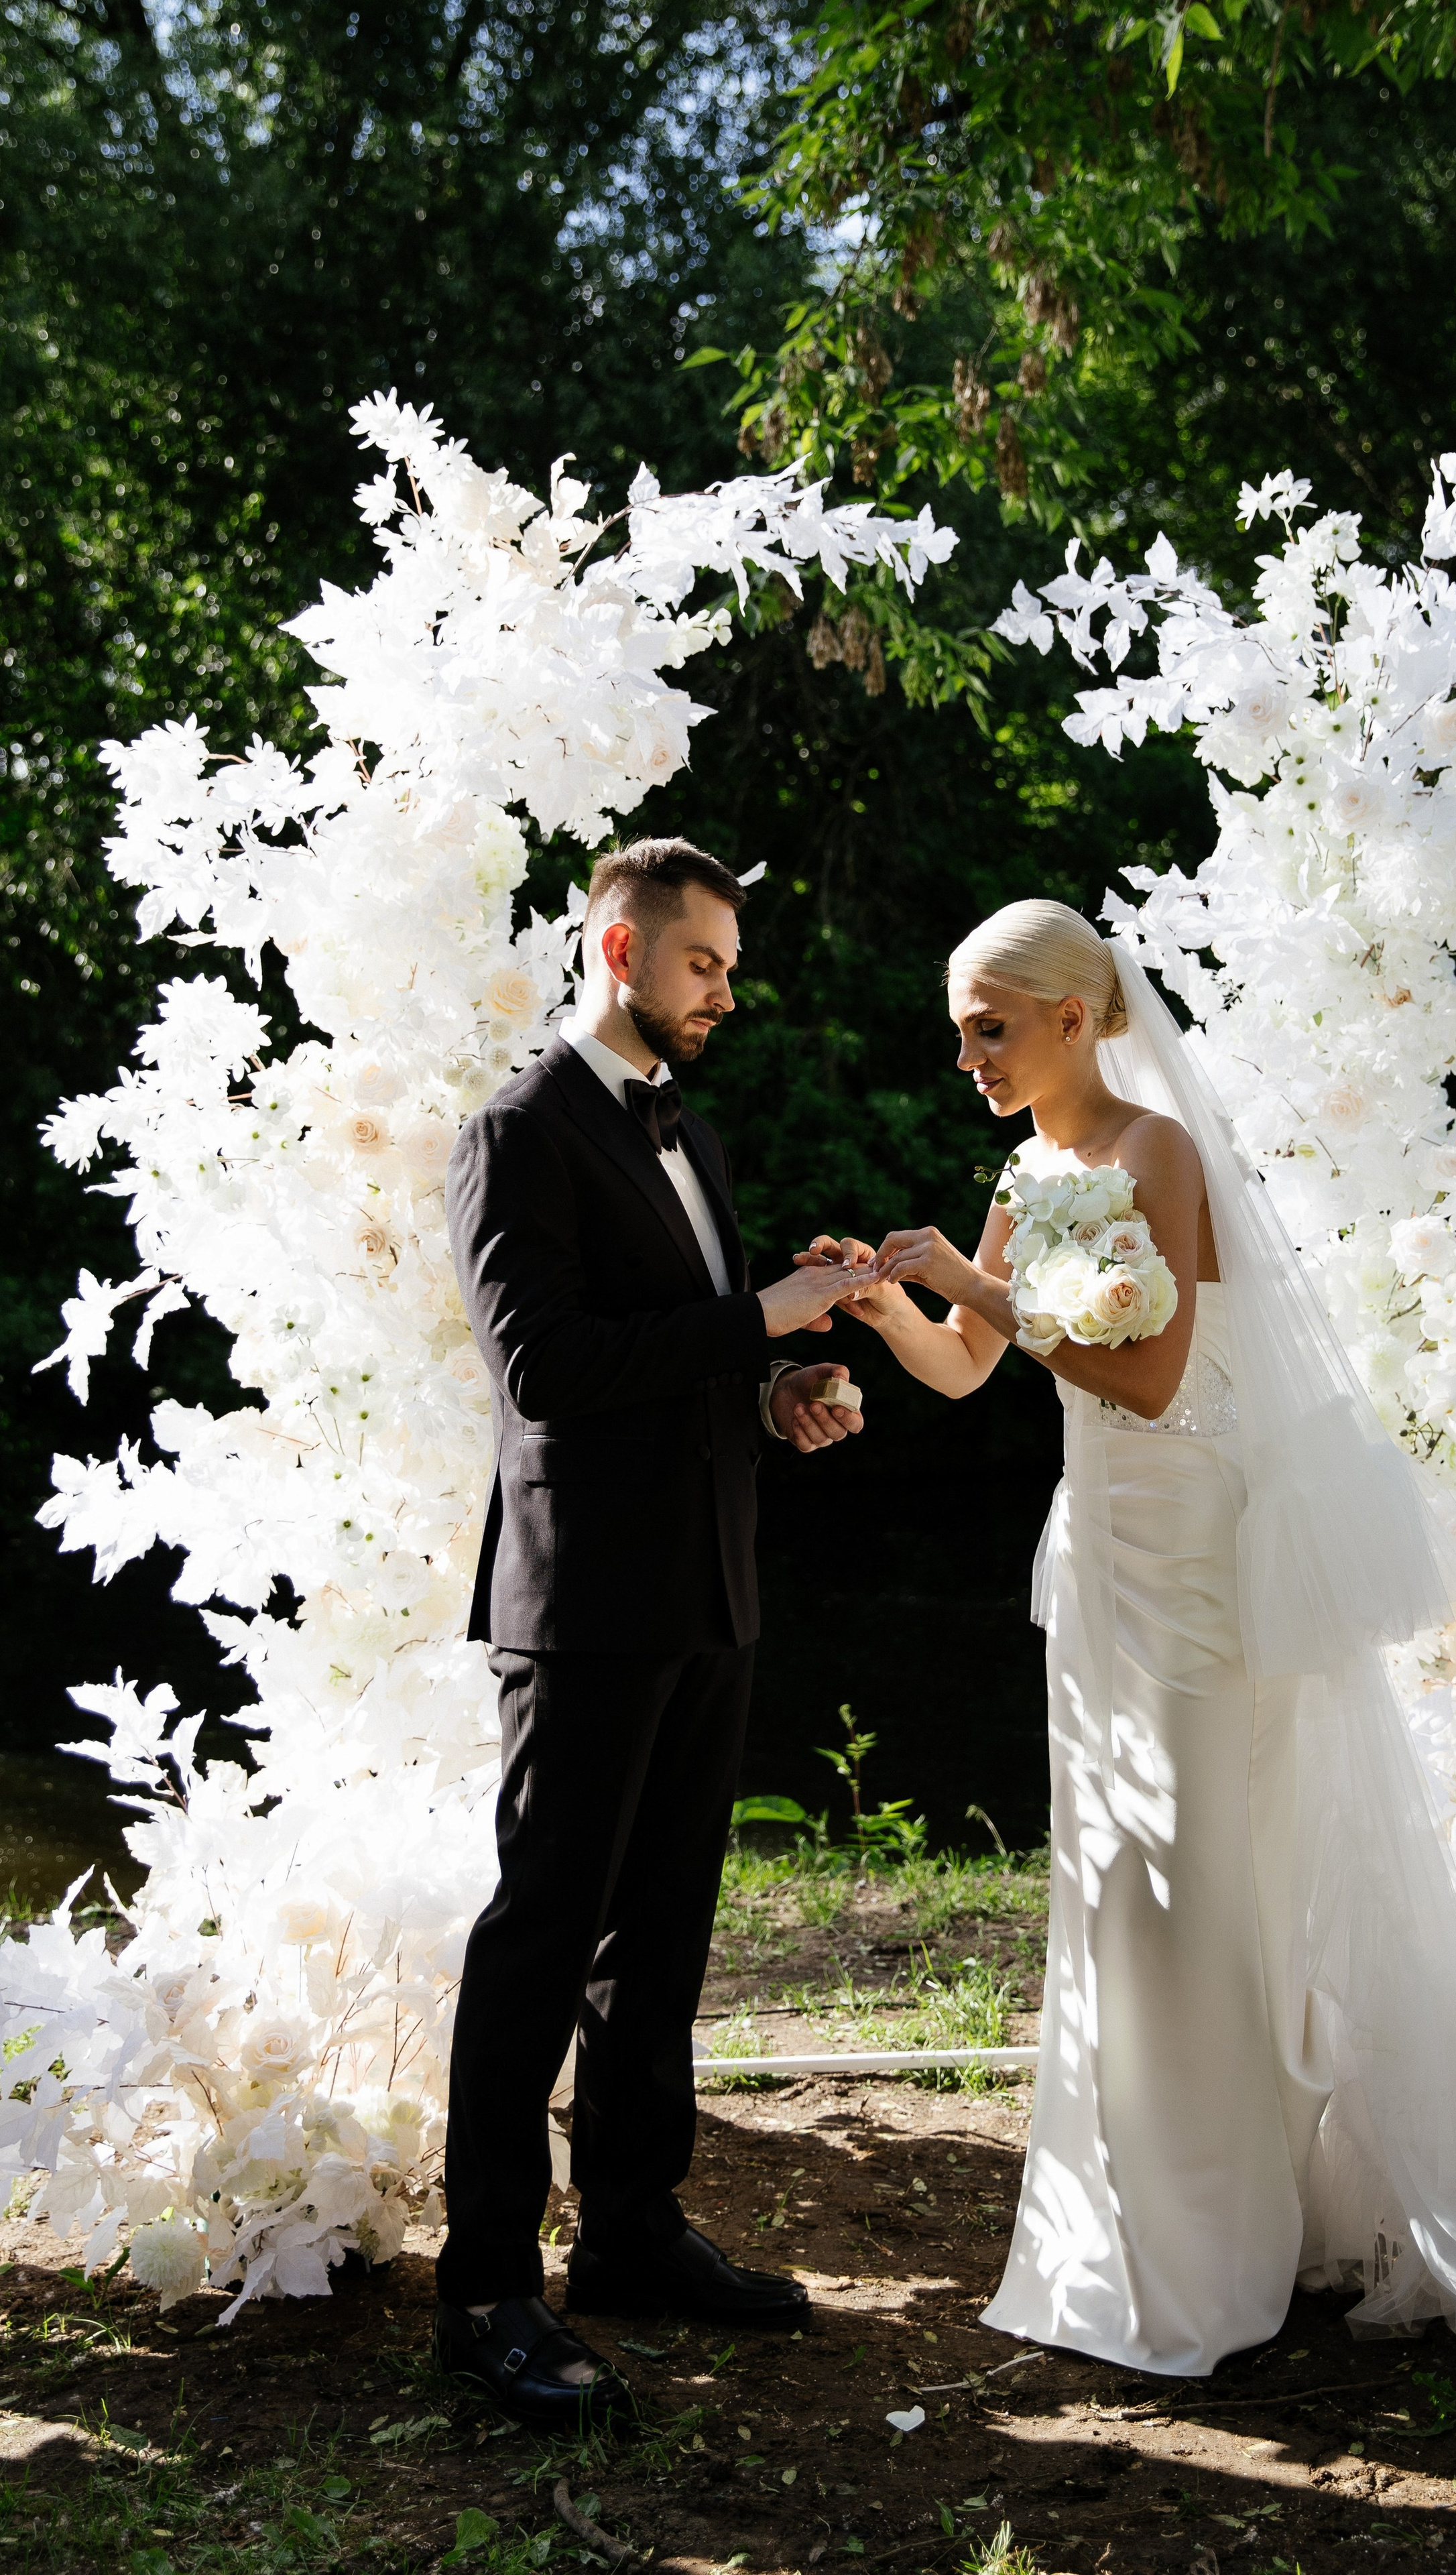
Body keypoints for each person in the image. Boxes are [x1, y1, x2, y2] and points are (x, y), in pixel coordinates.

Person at [805, 898, 1456, 2575]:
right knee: (1112, 1890)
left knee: (1191, 1893)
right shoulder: (1020, 1181)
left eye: (991, 1024)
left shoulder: (1155, 1156)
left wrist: (970, 1284)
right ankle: (1123, 2235)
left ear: (1080, 1017)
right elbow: (968, 1371)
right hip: (1101, 1562)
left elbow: (1147, 1378)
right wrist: (891, 1306)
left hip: (1193, 1566)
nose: (967, 1056)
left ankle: (1210, 2265)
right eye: (959, 1027)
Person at [434, 837, 875, 2432]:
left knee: (662, 1934)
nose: (727, 996)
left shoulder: (684, 1123)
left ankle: (626, 2228)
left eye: (732, 972)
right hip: (582, 1603)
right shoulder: (516, 1127)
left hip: (708, 1583)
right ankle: (484, 2285)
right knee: (542, 1933)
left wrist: (777, 1388)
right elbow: (544, 1372)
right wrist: (757, 1317)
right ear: (620, 953)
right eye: (706, 967)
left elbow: (670, 1360)